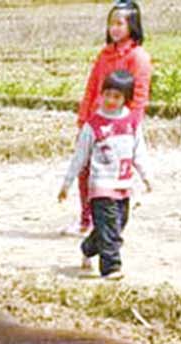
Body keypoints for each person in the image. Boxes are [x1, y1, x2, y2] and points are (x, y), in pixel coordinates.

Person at [60, 69, 153, 281]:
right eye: (107, 95)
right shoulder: (92, 125)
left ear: (126, 99)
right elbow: (80, 156)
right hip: (101, 185)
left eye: (117, 96)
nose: (110, 100)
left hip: (123, 183)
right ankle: (111, 268)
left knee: (117, 226)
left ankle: (88, 247)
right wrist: (67, 183)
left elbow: (139, 151)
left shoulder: (131, 122)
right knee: (110, 227)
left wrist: (146, 176)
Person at [68, 0, 151, 236]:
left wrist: (129, 127)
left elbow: (139, 96)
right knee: (85, 170)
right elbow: (92, 88)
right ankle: (87, 218)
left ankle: (109, 220)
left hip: (120, 127)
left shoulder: (139, 58)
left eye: (119, 23)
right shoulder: (104, 56)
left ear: (131, 25)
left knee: (112, 175)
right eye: (111, 23)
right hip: (96, 122)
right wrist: (83, 120)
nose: (114, 28)